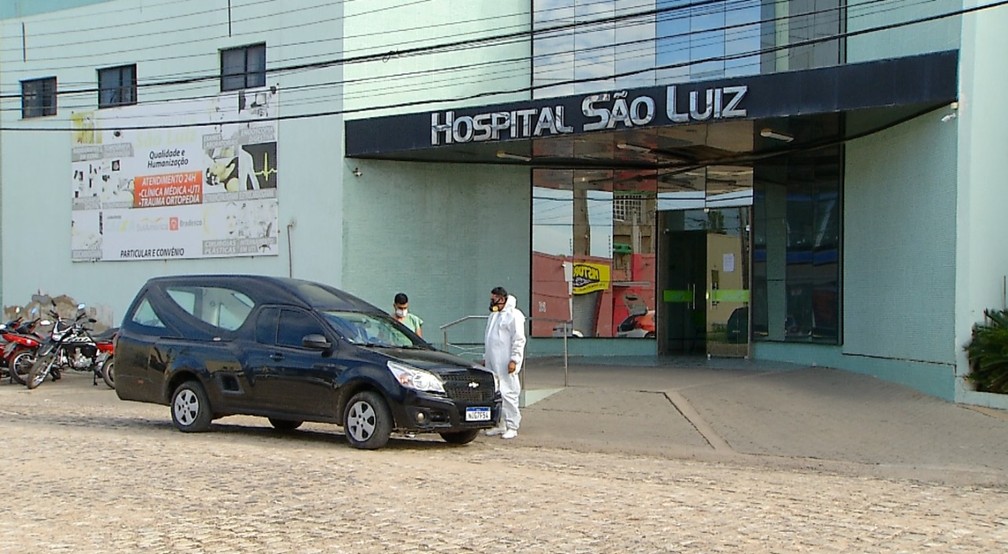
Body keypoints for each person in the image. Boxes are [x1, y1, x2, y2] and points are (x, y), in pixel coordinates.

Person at [483, 286, 526, 440]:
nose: (492, 302)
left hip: (505, 361)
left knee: (508, 392)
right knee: (496, 393)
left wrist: (514, 359)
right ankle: (499, 424)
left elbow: (518, 339)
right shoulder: (494, 315)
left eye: (494, 299)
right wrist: (486, 357)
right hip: (492, 361)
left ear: (502, 298)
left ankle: (512, 425)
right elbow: (489, 339)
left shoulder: (514, 315)